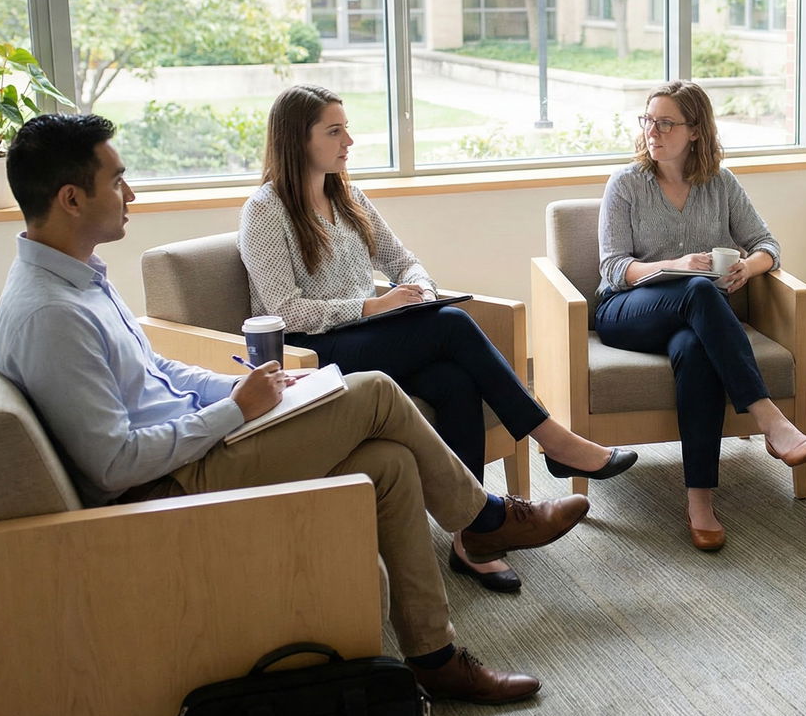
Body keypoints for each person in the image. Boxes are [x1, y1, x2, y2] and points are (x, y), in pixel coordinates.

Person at [0, 113, 589, 704]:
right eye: (117, 179)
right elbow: (114, 464)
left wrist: (238, 391)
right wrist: (234, 414)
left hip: (196, 446)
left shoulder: (80, 282)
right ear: (71, 198)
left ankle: (434, 657)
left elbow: (157, 373)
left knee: (389, 463)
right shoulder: (52, 314)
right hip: (166, 491)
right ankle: (485, 517)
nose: (132, 193)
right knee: (377, 389)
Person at [238, 85, 635, 593]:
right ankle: (552, 440)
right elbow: (283, 309)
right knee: (451, 327)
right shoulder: (265, 210)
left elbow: (404, 260)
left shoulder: (348, 195)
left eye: (346, 127)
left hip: (371, 336)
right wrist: (372, 306)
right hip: (313, 352)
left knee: (453, 379)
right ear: (297, 139)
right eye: (334, 131)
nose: (349, 140)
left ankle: (473, 537)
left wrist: (420, 289)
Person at [595, 79, 806, 550]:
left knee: (697, 353)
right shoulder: (627, 184)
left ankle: (700, 498)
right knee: (697, 289)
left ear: (695, 130)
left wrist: (747, 268)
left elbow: (767, 246)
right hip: (627, 310)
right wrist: (674, 266)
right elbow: (614, 268)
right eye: (648, 120)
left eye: (666, 122)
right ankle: (769, 418)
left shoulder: (720, 183)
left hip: (694, 321)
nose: (653, 131)